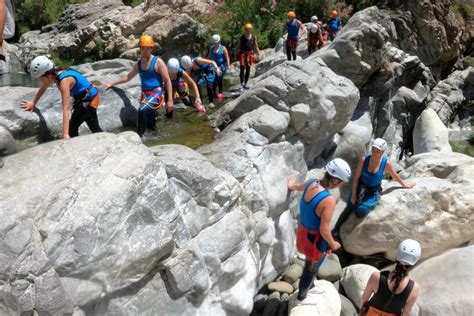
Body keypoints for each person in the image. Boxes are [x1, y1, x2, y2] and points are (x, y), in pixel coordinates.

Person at [288, 158, 352, 300]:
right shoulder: (328, 200)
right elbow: (324, 230)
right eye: (341, 182)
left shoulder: (311, 182)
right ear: (335, 180)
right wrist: (332, 243)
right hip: (314, 240)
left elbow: (298, 186)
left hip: (302, 234)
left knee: (309, 263)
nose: (340, 185)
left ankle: (309, 287)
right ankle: (302, 297)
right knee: (311, 268)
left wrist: (291, 185)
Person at [333, 138, 415, 235]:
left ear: (382, 152)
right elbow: (356, 178)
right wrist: (354, 195)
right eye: (373, 149)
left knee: (361, 212)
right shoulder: (364, 160)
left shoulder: (385, 163)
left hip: (372, 192)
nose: (374, 152)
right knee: (349, 207)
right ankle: (336, 229)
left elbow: (394, 175)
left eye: (377, 151)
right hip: (360, 187)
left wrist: (404, 184)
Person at [101, 34, 173, 137]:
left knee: (142, 110)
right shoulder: (139, 64)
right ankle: (156, 138)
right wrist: (112, 83)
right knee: (150, 122)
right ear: (140, 48)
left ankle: (139, 138)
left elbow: (167, 80)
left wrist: (170, 100)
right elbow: (128, 77)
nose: (145, 50)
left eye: (147, 48)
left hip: (156, 92)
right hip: (145, 94)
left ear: (151, 48)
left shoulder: (158, 62)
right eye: (143, 48)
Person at [20, 56, 102, 139]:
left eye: (40, 78)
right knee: (93, 126)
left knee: (72, 129)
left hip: (89, 100)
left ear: (47, 75)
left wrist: (65, 134)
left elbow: (66, 108)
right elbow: (43, 87)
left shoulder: (64, 81)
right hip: (85, 97)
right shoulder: (54, 72)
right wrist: (33, 102)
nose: (40, 81)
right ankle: (102, 139)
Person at [359, 239, 421, 316]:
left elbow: (364, 298)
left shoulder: (376, 277)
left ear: (397, 255)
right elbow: (406, 313)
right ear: (415, 261)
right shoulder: (414, 288)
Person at [235, 23, 261, 92]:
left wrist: (258, 54)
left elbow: (256, 46)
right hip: (243, 54)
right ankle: (241, 84)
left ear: (251, 30)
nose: (248, 31)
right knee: (242, 68)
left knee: (248, 68)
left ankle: (245, 84)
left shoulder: (253, 37)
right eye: (247, 30)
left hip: (250, 54)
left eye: (249, 30)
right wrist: (236, 53)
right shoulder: (242, 37)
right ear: (245, 30)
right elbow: (238, 46)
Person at [208, 34, 231, 103]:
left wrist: (228, 65)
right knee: (214, 80)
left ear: (219, 41)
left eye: (216, 42)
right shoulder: (211, 48)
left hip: (221, 67)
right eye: (214, 43)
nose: (215, 44)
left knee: (219, 79)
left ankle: (220, 92)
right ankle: (214, 93)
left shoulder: (223, 48)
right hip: (213, 67)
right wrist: (205, 64)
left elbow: (227, 57)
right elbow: (209, 57)